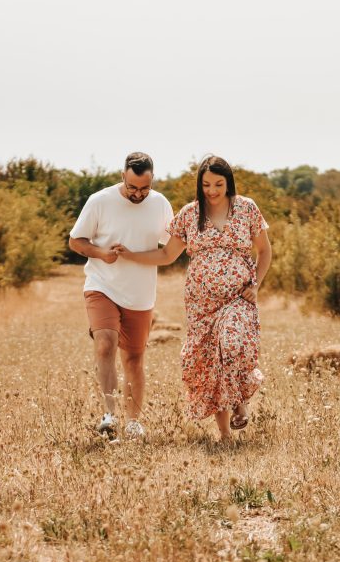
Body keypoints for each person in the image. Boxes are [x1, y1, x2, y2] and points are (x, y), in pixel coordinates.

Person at [113, 155, 271, 443]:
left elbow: (265, 251)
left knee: (231, 341)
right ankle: (224, 433)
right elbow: (166, 254)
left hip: (239, 297)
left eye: (218, 184)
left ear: (228, 182)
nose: (212, 190)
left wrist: (256, 284)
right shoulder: (190, 213)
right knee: (209, 361)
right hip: (201, 304)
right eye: (207, 184)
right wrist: (130, 255)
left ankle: (240, 401)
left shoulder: (247, 209)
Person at [68, 152, 173, 440]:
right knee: (105, 343)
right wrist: (102, 253)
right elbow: (75, 241)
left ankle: (133, 422)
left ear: (151, 180)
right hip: (102, 284)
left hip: (140, 293)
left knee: (134, 360)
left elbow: (169, 251)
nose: (138, 194)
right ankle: (109, 414)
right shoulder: (100, 201)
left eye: (144, 188)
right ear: (122, 177)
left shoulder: (161, 204)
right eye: (132, 187)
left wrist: (136, 256)